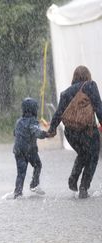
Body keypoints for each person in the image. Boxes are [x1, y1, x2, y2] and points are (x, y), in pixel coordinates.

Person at [48, 65, 102, 199]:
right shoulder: (90, 85)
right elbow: (98, 107)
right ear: (87, 76)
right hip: (87, 130)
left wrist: (52, 129)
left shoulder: (65, 93)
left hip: (71, 133)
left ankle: (73, 178)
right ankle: (83, 187)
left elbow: (59, 113)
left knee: (83, 153)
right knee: (93, 156)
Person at [13, 97, 51, 199]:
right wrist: (46, 134)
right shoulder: (33, 121)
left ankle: (17, 193)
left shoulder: (18, 121)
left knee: (21, 173)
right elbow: (36, 132)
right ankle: (34, 184)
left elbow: (14, 133)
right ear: (34, 110)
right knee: (38, 165)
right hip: (29, 150)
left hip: (18, 150)